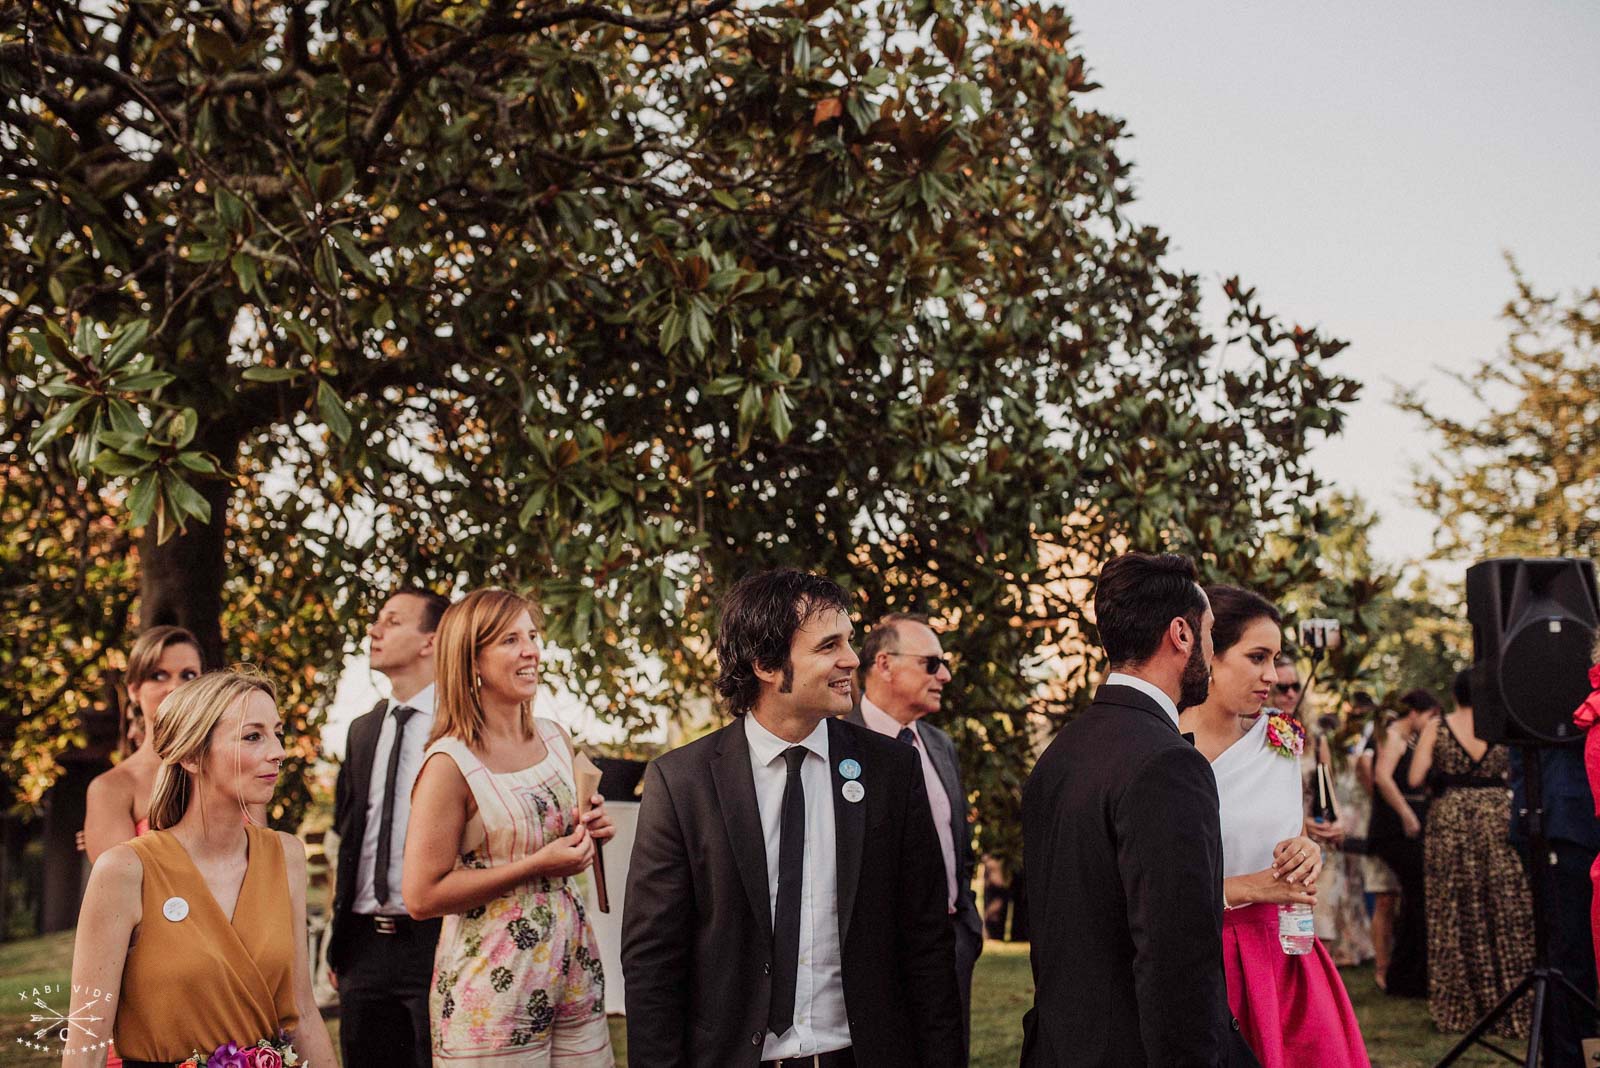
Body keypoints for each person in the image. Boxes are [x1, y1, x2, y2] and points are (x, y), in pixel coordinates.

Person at [622, 568, 962, 1068]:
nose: (851, 659)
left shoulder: (891, 769)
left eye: (849, 641)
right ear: (765, 663)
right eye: (829, 646)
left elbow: (927, 941)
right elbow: (653, 961)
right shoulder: (683, 783)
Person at [1020, 551, 1257, 1067]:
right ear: (1181, 634)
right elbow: (1176, 961)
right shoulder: (1169, 764)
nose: (1212, 652)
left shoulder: (1059, 753)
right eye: (1211, 634)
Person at [64, 669, 337, 1068]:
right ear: (192, 755)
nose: (278, 750)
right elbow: (87, 1038)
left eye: (278, 732)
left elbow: (302, 1015)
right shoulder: (126, 870)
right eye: (253, 736)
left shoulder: (286, 856)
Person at [404, 588, 616, 1066]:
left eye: (532, 636)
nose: (530, 650)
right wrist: (534, 865)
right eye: (509, 640)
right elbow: (421, 895)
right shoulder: (448, 764)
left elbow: (566, 835)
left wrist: (593, 827)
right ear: (472, 661)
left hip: (573, 969)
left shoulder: (556, 738)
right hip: (492, 990)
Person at [1179, 585, 1368, 1067]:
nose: (1273, 675)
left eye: (1276, 658)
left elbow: (1285, 832)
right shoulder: (1164, 746)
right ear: (1209, 656)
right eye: (1257, 657)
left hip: (1284, 948)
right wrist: (1249, 888)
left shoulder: (1283, 738)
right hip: (1200, 950)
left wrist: (1309, 851)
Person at [848, 612, 983, 1061]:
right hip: (876, 963)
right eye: (931, 663)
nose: (944, 675)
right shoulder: (838, 741)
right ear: (884, 664)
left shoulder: (940, 745)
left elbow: (958, 848)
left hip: (950, 947)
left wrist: (967, 927)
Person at [327, 588, 450, 1067]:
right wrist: (340, 944)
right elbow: (350, 835)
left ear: (430, 642)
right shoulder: (362, 730)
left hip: (434, 940)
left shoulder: (462, 723)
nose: (374, 630)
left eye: (393, 621)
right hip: (361, 947)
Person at [1407, 668, 1534, 1036]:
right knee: (1506, 905)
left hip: (1452, 819)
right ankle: (1510, 999)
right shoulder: (1502, 725)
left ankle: (1461, 1005)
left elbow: (1415, 778)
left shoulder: (1439, 726)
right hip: (1498, 814)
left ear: (1456, 693)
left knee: (1454, 907)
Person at [83, 627, 204, 863]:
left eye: (188, 675)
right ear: (134, 690)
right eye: (159, 675)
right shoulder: (111, 788)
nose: (175, 687)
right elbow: (117, 894)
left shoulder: (236, 770)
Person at [1370, 688, 1436, 997]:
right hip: (1395, 829)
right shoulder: (1394, 736)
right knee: (1417, 893)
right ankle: (1405, 975)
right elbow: (1382, 777)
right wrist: (1407, 814)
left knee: (1416, 896)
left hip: (1404, 824)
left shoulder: (1404, 738)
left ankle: (1411, 973)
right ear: (1415, 713)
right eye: (1429, 716)